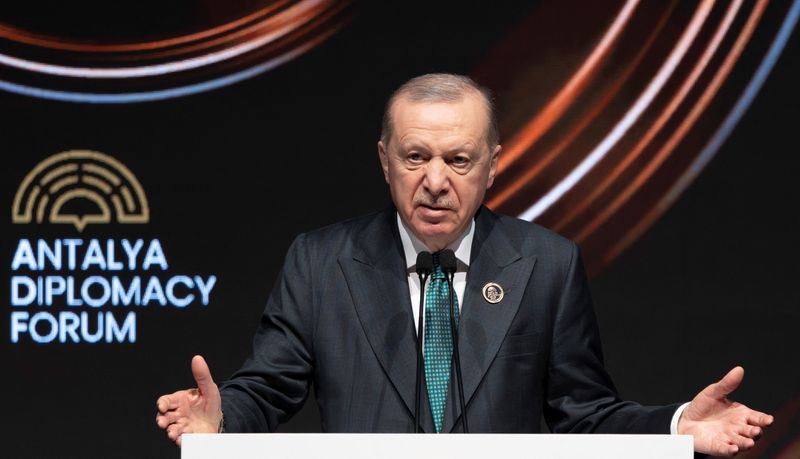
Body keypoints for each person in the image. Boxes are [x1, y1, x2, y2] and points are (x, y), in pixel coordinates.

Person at [156, 74, 772, 456]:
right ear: (384, 160)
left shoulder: (548, 264)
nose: (435, 182)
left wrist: (676, 428)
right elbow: (269, 386)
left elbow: (584, 414)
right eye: (416, 156)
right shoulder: (321, 262)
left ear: (492, 165)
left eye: (458, 159)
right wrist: (221, 419)